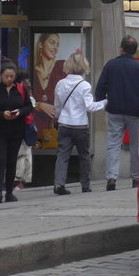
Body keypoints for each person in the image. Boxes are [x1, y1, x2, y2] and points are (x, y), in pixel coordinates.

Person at [94, 36, 139, 191]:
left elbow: (100, 88)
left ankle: (111, 177)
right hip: (135, 111)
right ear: (135, 50)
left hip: (115, 110)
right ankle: (136, 178)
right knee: (136, 145)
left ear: (121, 49)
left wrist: (103, 101)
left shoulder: (111, 65)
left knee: (113, 144)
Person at [52, 50, 107, 194]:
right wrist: (106, 102)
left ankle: (59, 184)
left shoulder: (60, 84)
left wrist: (58, 116)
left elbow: (57, 106)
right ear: (84, 66)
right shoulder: (85, 85)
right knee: (84, 155)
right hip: (80, 125)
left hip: (64, 123)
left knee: (62, 155)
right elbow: (90, 107)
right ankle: (85, 185)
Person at [0, 63, 33, 203]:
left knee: (12, 161)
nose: (9, 79)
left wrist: (20, 112)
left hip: (16, 130)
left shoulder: (20, 89)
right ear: (0, 76)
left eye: (12, 76)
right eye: (6, 76)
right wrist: (1, 114)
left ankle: (9, 192)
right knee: (0, 159)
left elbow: (29, 107)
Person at [32, 32, 65, 139]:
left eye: (58, 45)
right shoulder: (31, 70)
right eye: (52, 43)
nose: (55, 48)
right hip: (34, 126)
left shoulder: (62, 67)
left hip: (57, 127)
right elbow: (21, 98)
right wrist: (38, 105)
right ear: (41, 45)